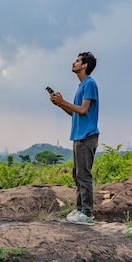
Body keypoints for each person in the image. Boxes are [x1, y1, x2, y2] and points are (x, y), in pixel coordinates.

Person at [49, 51, 99, 225]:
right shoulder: (81, 86)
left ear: (84, 65)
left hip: (87, 136)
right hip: (79, 135)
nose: (74, 63)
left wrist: (63, 101)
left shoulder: (90, 83)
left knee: (84, 175)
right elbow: (75, 113)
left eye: (77, 61)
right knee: (77, 174)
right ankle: (80, 210)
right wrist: (60, 104)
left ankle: (87, 213)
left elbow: (84, 110)